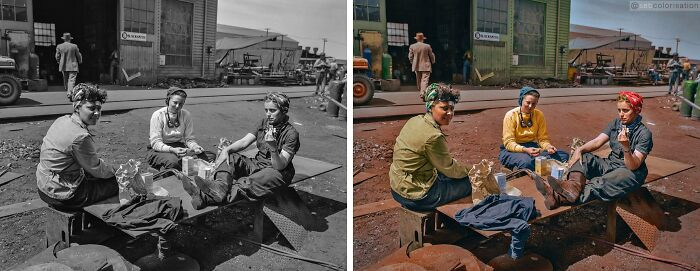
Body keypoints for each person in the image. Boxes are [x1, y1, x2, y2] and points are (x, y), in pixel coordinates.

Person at [532, 91, 652, 210]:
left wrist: (626, 147)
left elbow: (633, 165)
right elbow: (597, 142)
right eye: (619, 110)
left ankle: (556, 197)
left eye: (625, 111)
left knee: (600, 184)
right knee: (584, 158)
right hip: (611, 164)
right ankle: (571, 187)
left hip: (630, 172)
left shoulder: (644, 133)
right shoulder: (616, 123)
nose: (621, 114)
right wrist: (580, 150)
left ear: (636, 110)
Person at [180, 92, 300, 209]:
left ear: (284, 111)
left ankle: (203, 198)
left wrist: (273, 148)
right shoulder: (264, 123)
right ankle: (219, 187)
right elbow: (244, 142)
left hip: (277, 172)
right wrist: (227, 150)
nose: (268, 114)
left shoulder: (291, 133)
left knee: (247, 183)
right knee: (231, 157)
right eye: (266, 110)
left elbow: (280, 165)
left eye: (273, 110)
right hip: (257, 164)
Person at [390, 83, 471, 211]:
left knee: (446, 175)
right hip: (417, 197)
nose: (450, 113)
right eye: (444, 108)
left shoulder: (415, 120)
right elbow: (450, 169)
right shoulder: (434, 137)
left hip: (396, 187)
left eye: (452, 108)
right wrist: (472, 171)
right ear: (430, 107)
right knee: (469, 184)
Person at [36, 83, 117, 209]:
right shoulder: (80, 137)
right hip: (62, 194)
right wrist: (117, 171)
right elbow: (96, 168)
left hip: (43, 185)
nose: (97, 113)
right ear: (77, 107)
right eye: (91, 108)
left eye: (99, 109)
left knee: (95, 176)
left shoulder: (62, 120)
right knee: (118, 183)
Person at [499, 86, 569, 171]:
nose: (530, 106)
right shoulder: (511, 115)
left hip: (533, 148)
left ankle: (529, 168)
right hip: (513, 150)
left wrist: (548, 147)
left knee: (563, 155)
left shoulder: (539, 115)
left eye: (534, 104)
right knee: (526, 162)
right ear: (521, 100)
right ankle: (521, 167)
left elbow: (543, 139)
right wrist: (525, 149)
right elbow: (508, 143)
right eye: (528, 102)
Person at [147, 87, 215, 170]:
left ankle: (191, 174)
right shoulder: (158, 115)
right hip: (160, 150)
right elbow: (155, 143)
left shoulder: (186, 115)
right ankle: (165, 172)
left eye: (181, 104)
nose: (177, 106)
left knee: (210, 156)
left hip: (180, 148)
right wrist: (172, 150)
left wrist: (195, 147)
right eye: (175, 102)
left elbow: (189, 139)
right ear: (168, 100)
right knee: (174, 162)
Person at [55, 33, 83, 101]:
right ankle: (69, 92)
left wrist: (59, 62)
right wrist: (80, 61)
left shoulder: (59, 46)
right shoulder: (74, 46)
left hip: (63, 65)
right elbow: (78, 55)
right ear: (70, 39)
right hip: (73, 65)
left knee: (66, 79)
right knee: (71, 80)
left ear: (64, 39)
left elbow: (57, 56)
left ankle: (68, 91)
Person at [408, 32, 436, 99]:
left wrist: (413, 62)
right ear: (423, 39)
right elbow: (431, 55)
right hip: (426, 65)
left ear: (416, 39)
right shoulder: (427, 46)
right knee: (424, 80)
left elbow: (410, 56)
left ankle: (421, 91)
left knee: (419, 79)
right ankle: (422, 92)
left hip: (416, 65)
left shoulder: (412, 46)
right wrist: (433, 61)